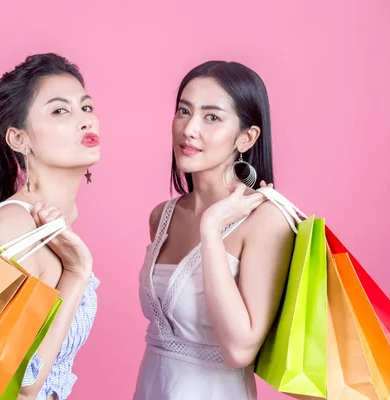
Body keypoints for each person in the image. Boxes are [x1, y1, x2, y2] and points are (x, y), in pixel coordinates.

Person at [134, 61, 298, 399]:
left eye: (212, 117)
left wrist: (211, 230)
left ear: (246, 136)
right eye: (184, 110)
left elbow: (240, 350)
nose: (189, 129)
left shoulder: (267, 220)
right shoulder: (162, 216)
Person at [0, 53, 101, 400]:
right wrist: (77, 273)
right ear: (19, 139)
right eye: (61, 111)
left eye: (86, 108)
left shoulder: (54, 220)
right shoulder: (16, 228)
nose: (85, 121)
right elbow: (22, 381)